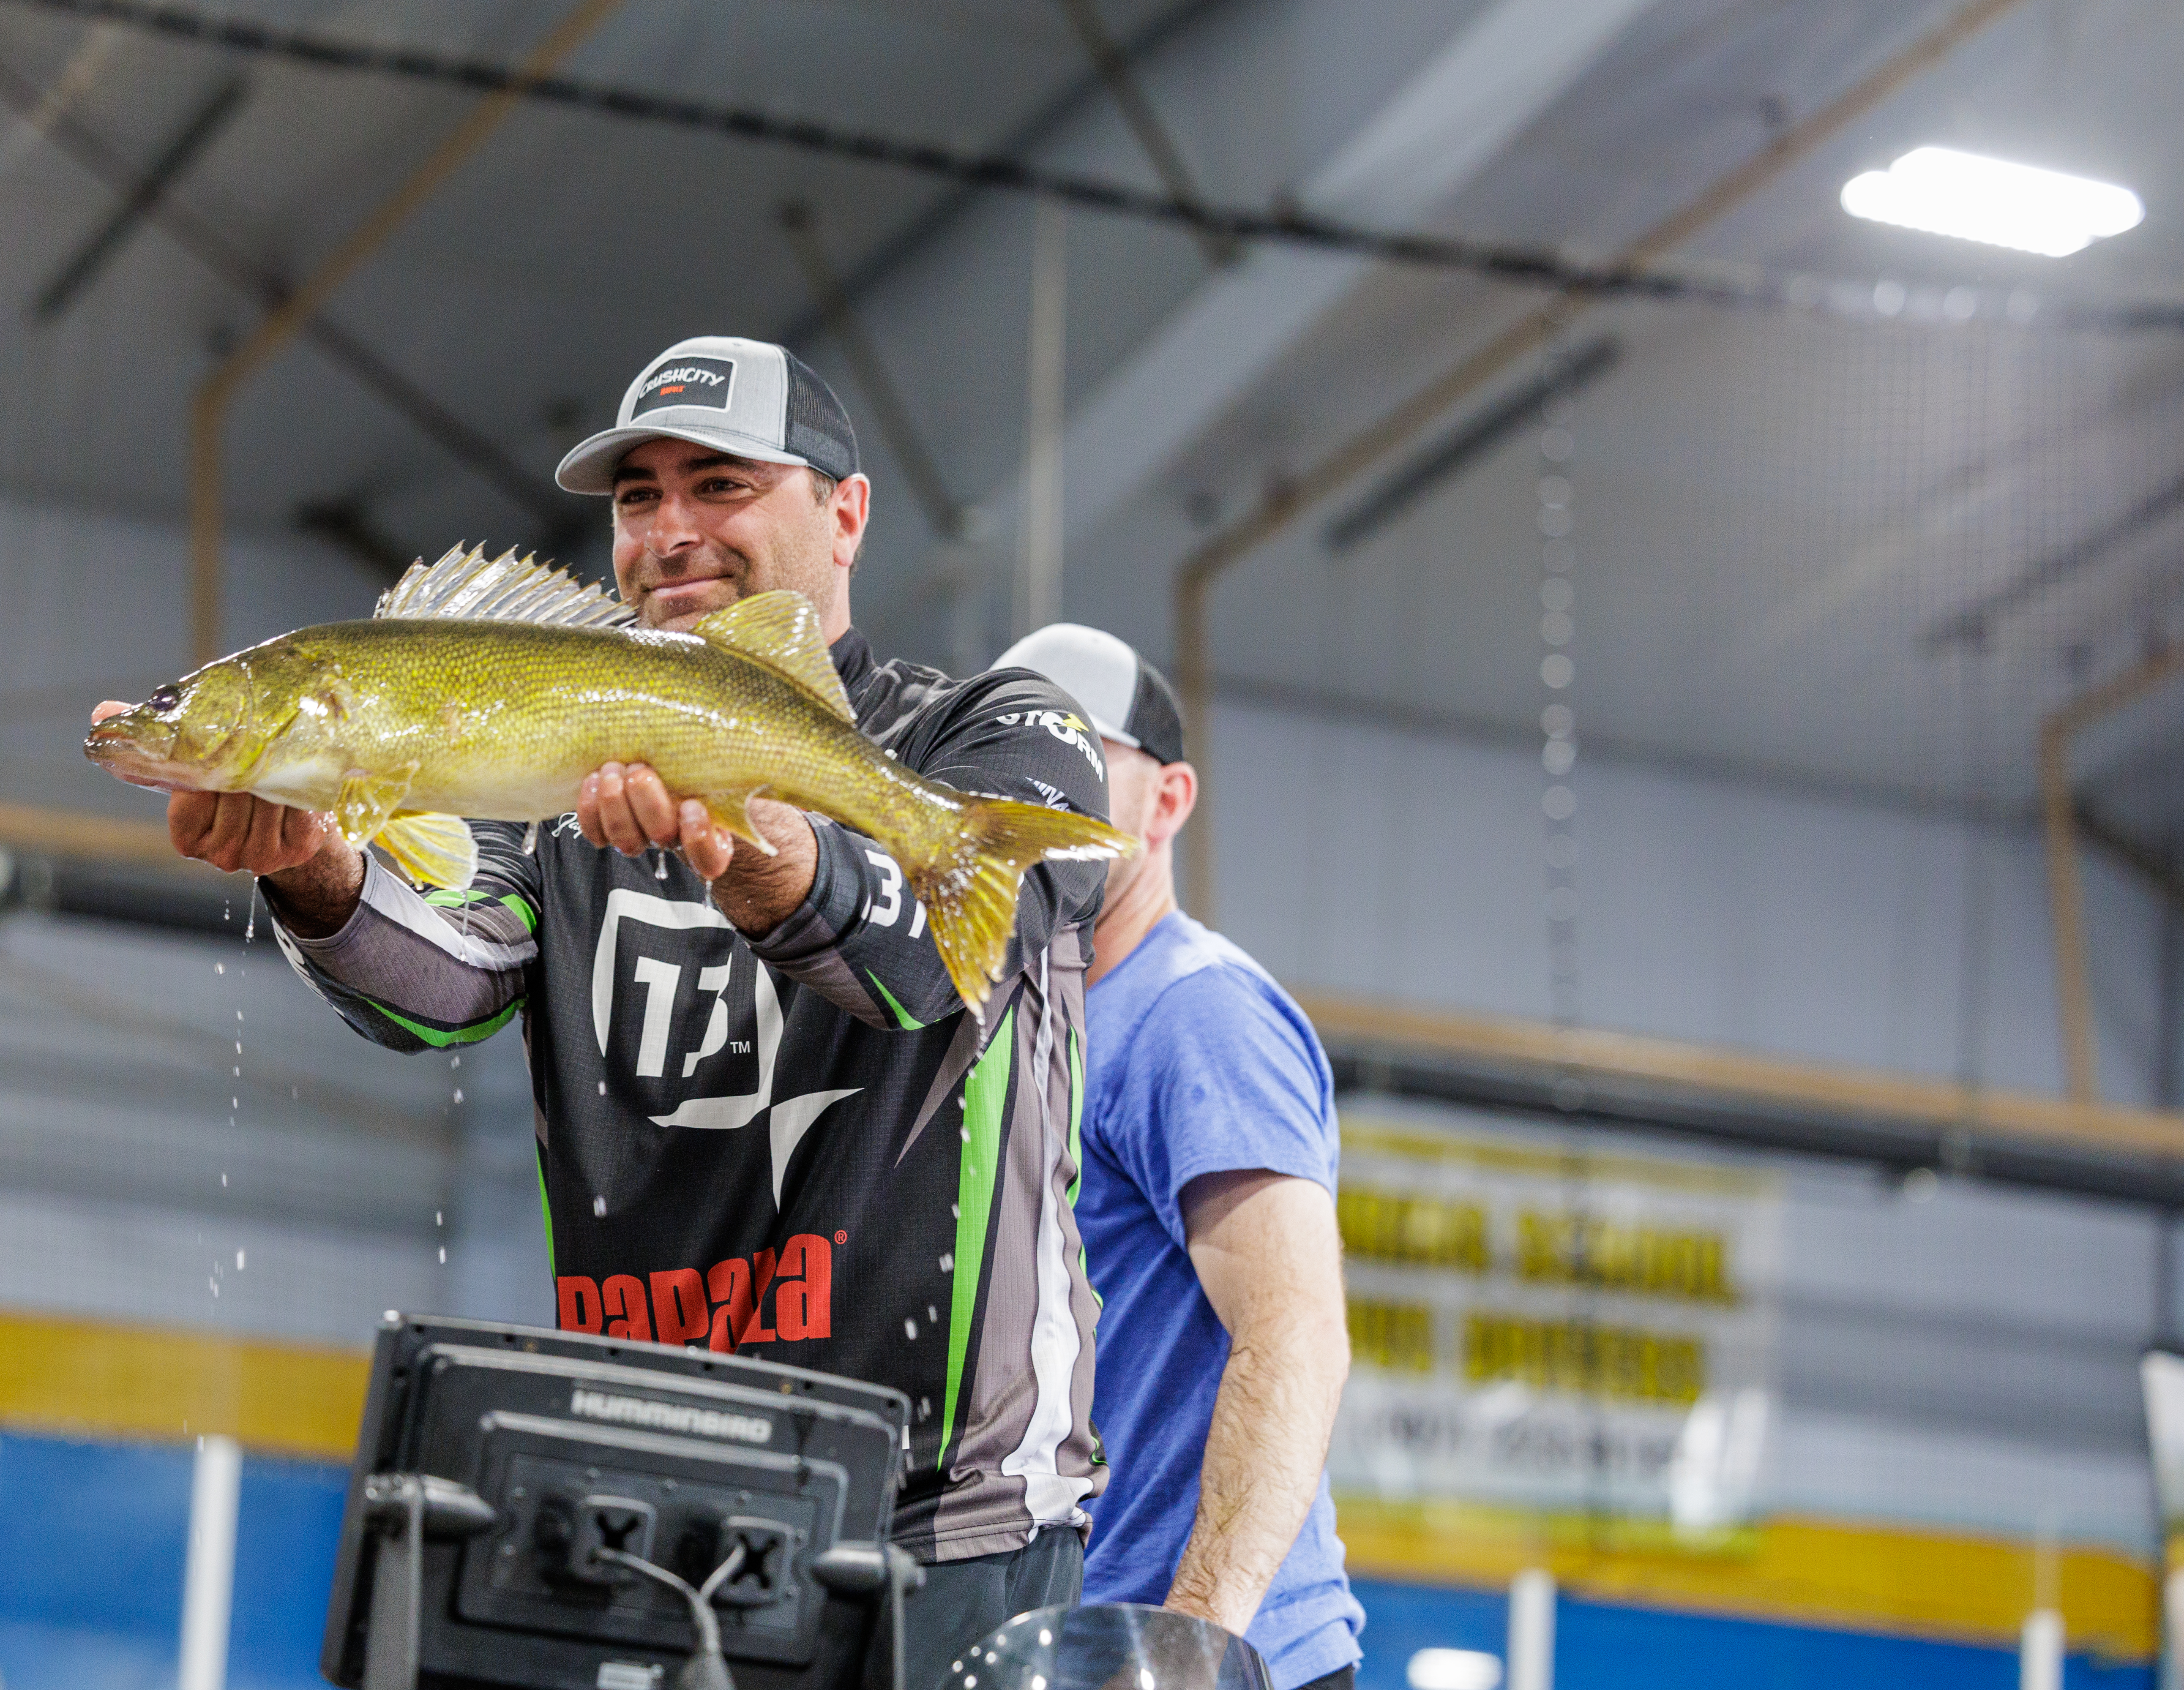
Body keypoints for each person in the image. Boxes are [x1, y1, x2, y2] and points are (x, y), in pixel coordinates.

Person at [98, 337, 1113, 1687]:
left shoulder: (994, 735)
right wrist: (317, 866)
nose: (671, 528)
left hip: (940, 1514)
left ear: (845, 512)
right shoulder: (551, 793)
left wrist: (772, 861)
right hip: (643, 1481)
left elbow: (933, 967)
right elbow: (447, 991)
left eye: (719, 483)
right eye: (637, 497)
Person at [993, 624, 1364, 1690]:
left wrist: (1190, 1639)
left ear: (1167, 802)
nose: (1036, 789)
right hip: (1080, 1650)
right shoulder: (1029, 1026)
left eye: (1077, 757)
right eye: (1008, 753)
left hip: (1197, 1658)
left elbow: (1294, 1334)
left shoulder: (1192, 1012)